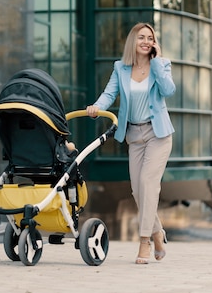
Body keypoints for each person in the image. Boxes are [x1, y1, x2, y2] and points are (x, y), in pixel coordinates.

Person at [86, 22, 175, 265]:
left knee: (148, 183)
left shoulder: (162, 64)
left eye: (150, 38)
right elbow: (109, 94)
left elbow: (169, 90)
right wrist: (97, 107)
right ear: (132, 42)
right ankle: (158, 233)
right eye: (141, 38)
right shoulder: (121, 68)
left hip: (158, 135)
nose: (146, 41)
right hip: (134, 136)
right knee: (138, 191)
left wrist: (156, 63)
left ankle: (144, 241)